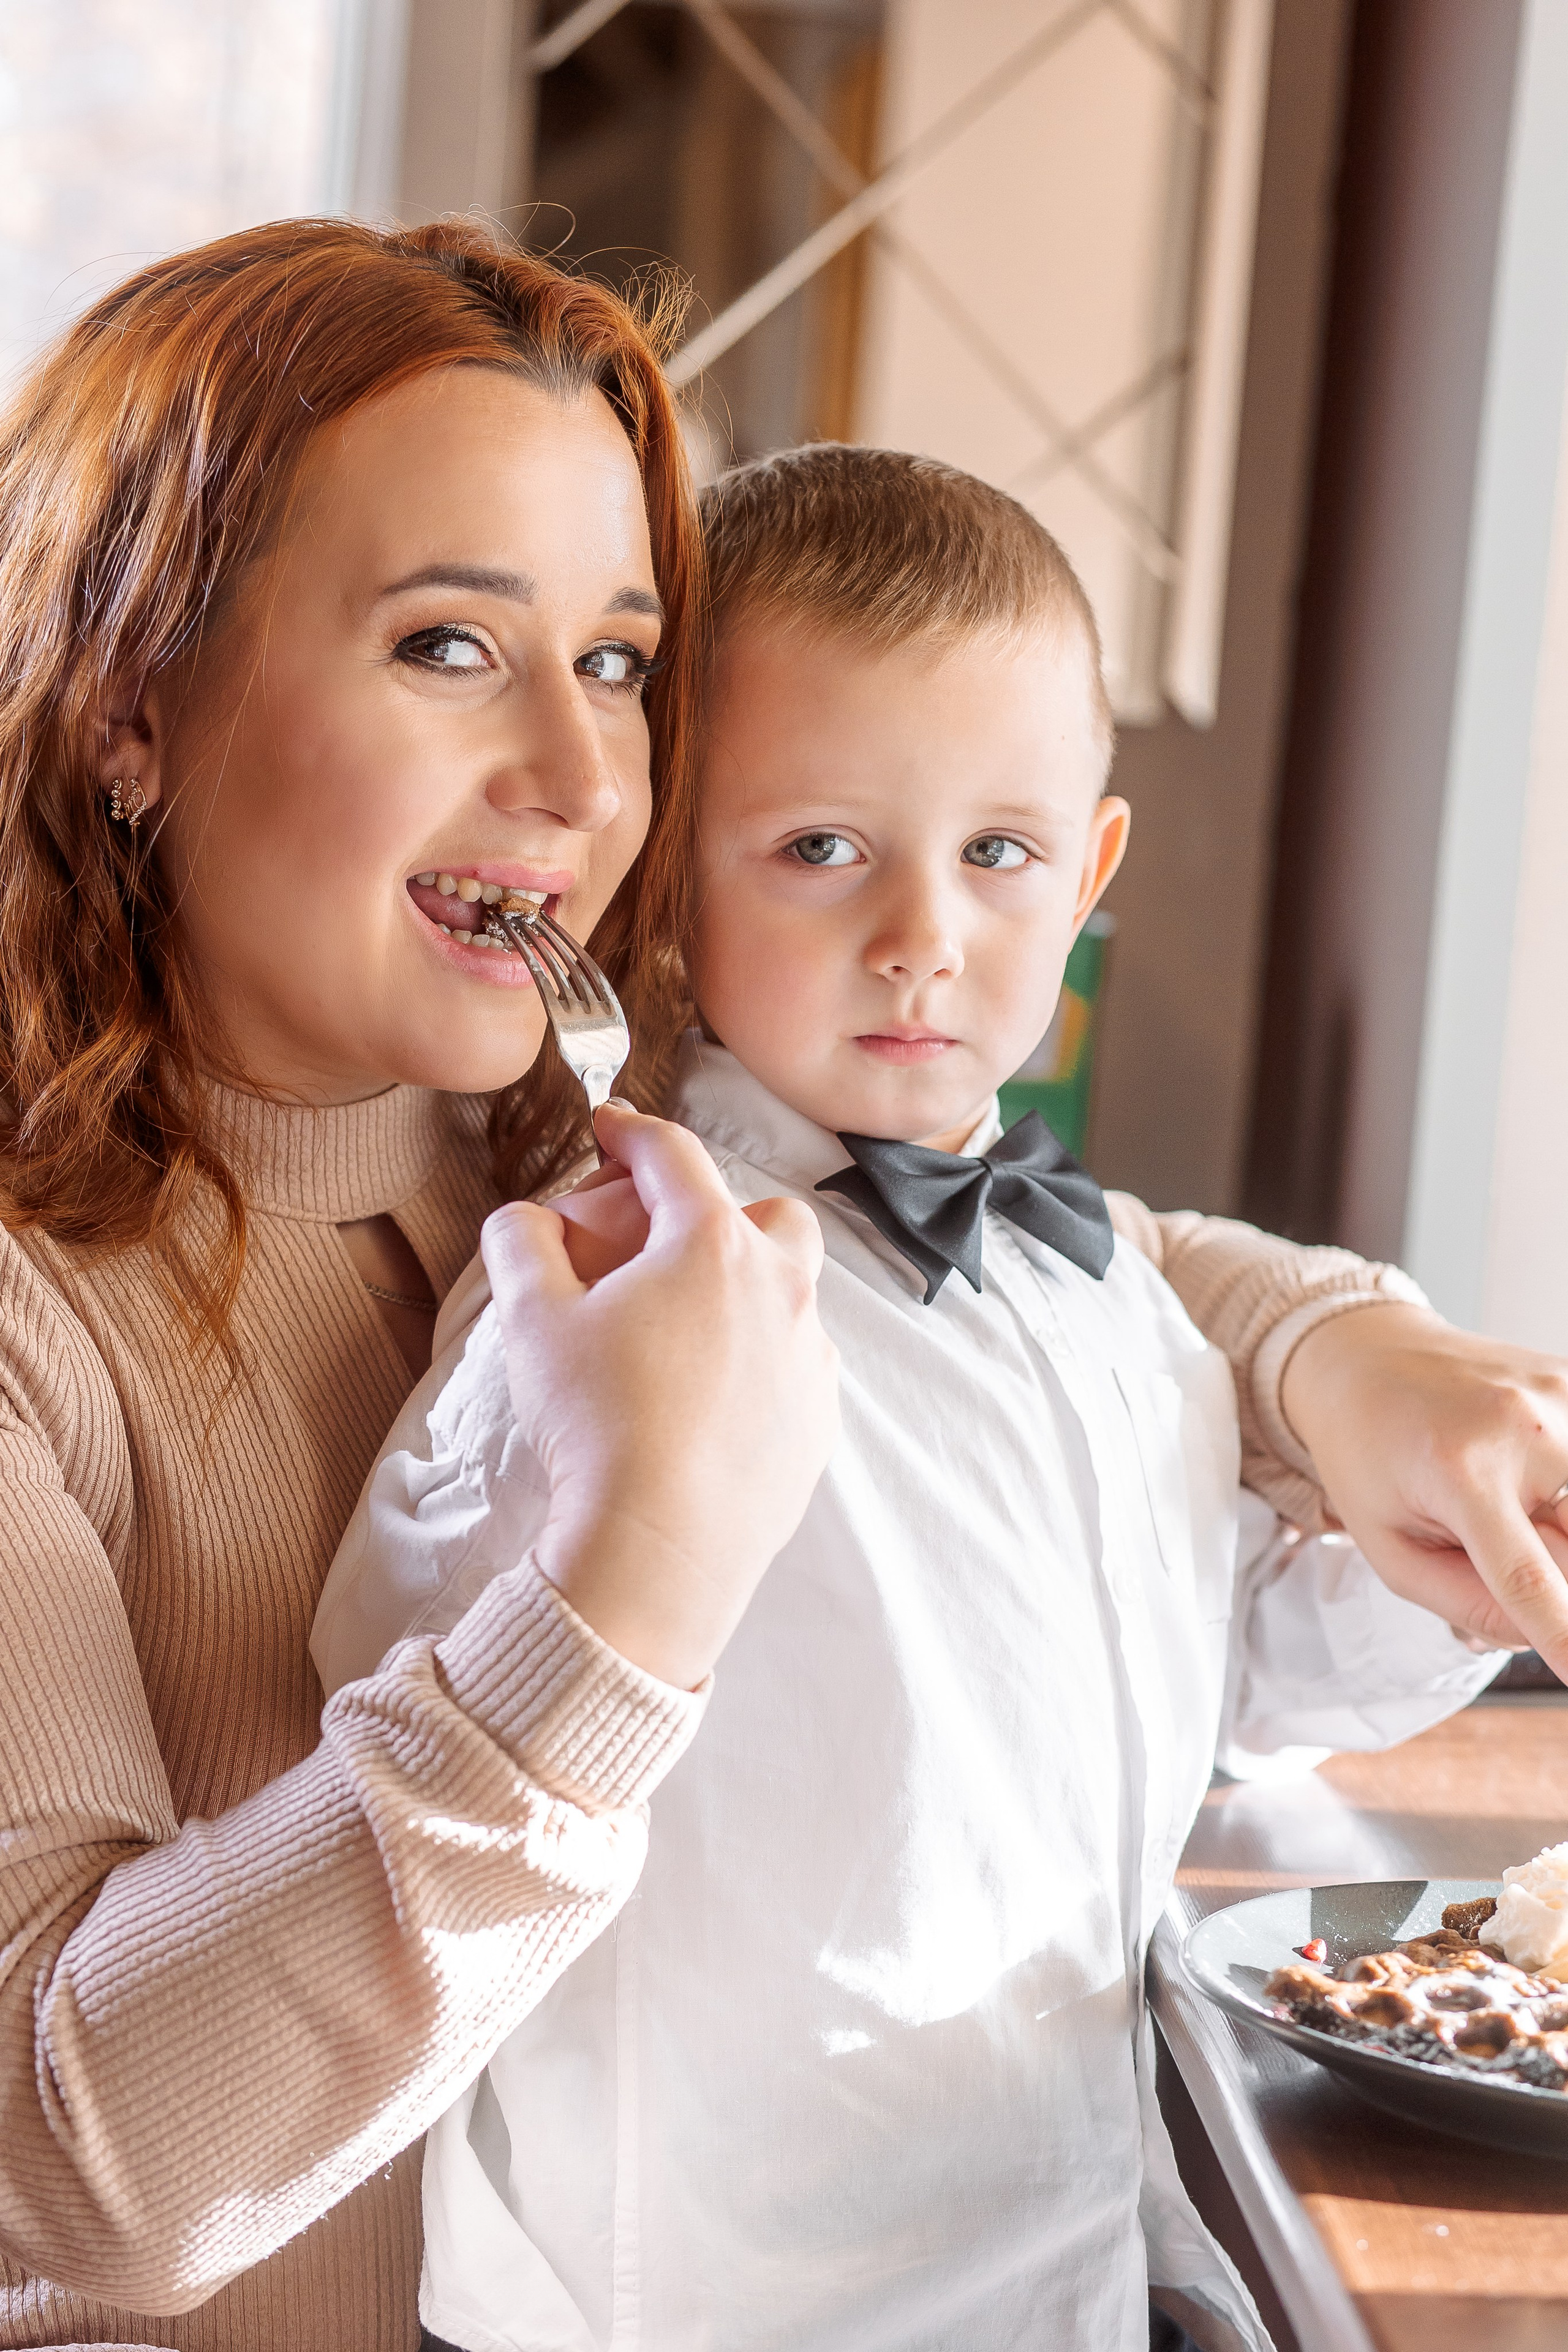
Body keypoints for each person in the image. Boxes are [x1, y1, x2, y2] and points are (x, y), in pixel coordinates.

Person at [0, 213, 1564, 2352]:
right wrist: (622, 1596)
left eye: (624, 663)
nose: (582, 781)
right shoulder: (35, 1324)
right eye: (452, 644)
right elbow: (70, 2174)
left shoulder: (556, 1123)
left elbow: (1070, 1271)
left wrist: (1352, 1349)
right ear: (129, 712)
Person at [309, 446, 1536, 2352]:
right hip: (710, 2300)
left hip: (1054, 2263)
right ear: (671, 867)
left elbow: (1221, 1687)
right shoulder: (610, 1294)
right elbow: (385, 1656)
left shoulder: (1112, 1299)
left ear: (1091, 871)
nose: (923, 937)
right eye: (819, 848)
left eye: (998, 854)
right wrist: (571, 1477)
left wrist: (1443, 1570)